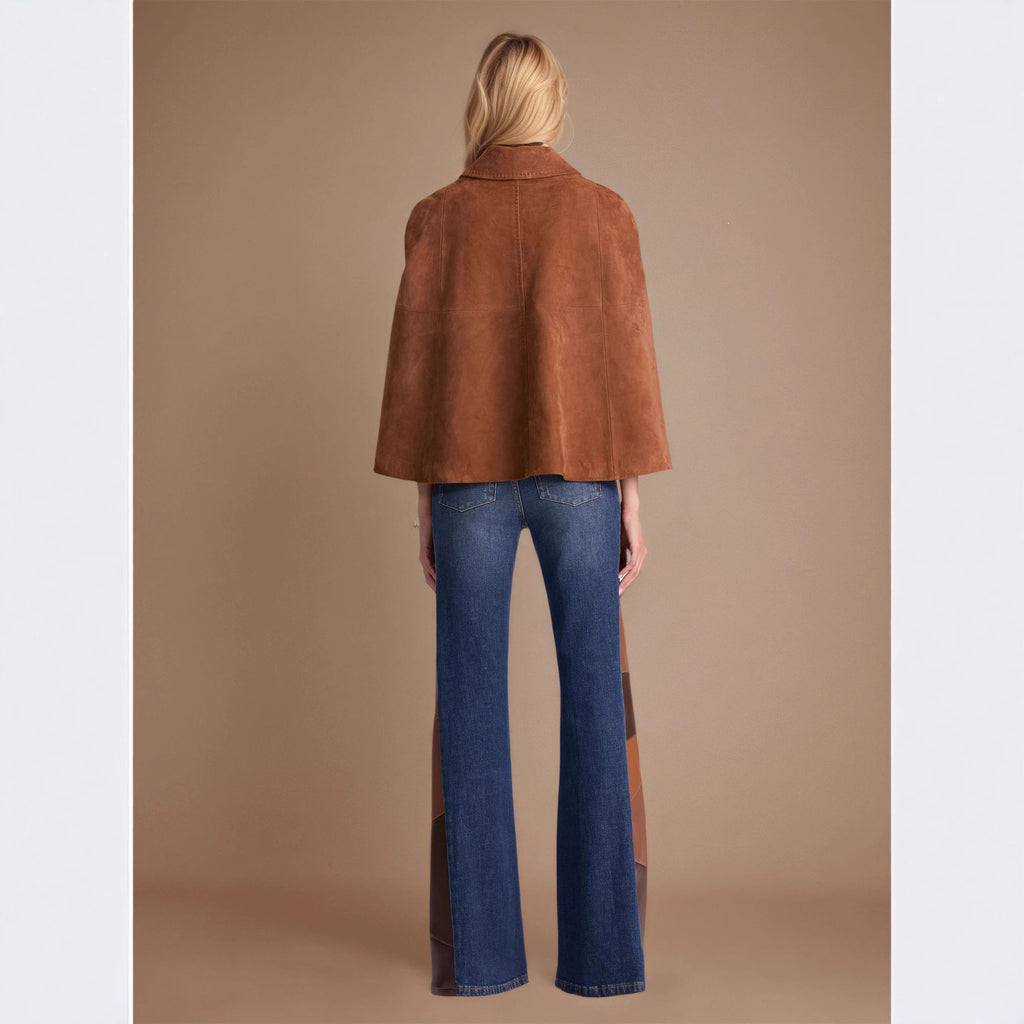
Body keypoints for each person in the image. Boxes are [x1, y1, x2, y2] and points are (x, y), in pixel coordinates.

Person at [373, 32, 672, 998]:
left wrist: (427, 501)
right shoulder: (603, 212)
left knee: (470, 707)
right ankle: (604, 959)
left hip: (468, 483)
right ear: (552, 104)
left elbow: (417, 375)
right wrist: (631, 496)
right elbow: (628, 362)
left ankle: (483, 963)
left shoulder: (437, 218)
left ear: (485, 101)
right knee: (595, 705)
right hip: (582, 478)